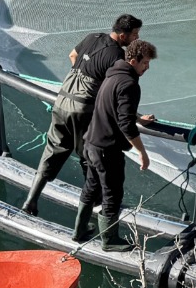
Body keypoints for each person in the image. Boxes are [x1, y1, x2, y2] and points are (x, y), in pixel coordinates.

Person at [22, 14, 144, 216]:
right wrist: (138, 117)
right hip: (82, 109)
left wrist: (83, 75)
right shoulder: (117, 57)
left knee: (52, 151)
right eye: (135, 35)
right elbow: (116, 92)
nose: (137, 39)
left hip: (62, 101)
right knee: (89, 155)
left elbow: (72, 55)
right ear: (123, 36)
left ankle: (30, 201)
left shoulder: (92, 36)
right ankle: (93, 202)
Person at [79, 39, 158, 251]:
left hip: (91, 142)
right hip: (107, 148)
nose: (147, 67)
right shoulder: (129, 84)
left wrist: (139, 118)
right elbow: (125, 124)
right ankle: (109, 241)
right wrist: (142, 152)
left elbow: (115, 106)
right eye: (145, 63)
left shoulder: (113, 73)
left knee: (91, 186)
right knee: (112, 193)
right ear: (133, 60)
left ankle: (79, 231)